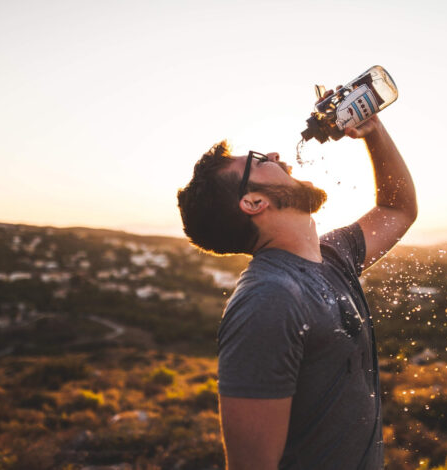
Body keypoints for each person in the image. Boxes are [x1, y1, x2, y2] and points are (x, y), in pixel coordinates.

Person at [176, 93, 417, 470]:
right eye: (258, 161)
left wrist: (373, 130)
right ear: (253, 202)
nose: (274, 155)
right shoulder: (268, 299)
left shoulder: (331, 257)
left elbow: (396, 208)